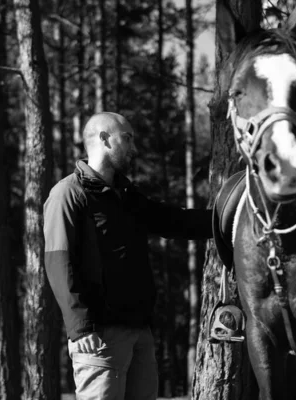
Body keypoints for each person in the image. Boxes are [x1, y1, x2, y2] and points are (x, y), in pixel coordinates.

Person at [43, 112, 214, 400]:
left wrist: (229, 219)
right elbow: (58, 262)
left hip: (139, 332)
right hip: (98, 336)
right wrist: (80, 328)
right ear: (104, 138)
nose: (134, 147)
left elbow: (171, 221)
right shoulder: (69, 194)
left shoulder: (126, 195)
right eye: (127, 137)